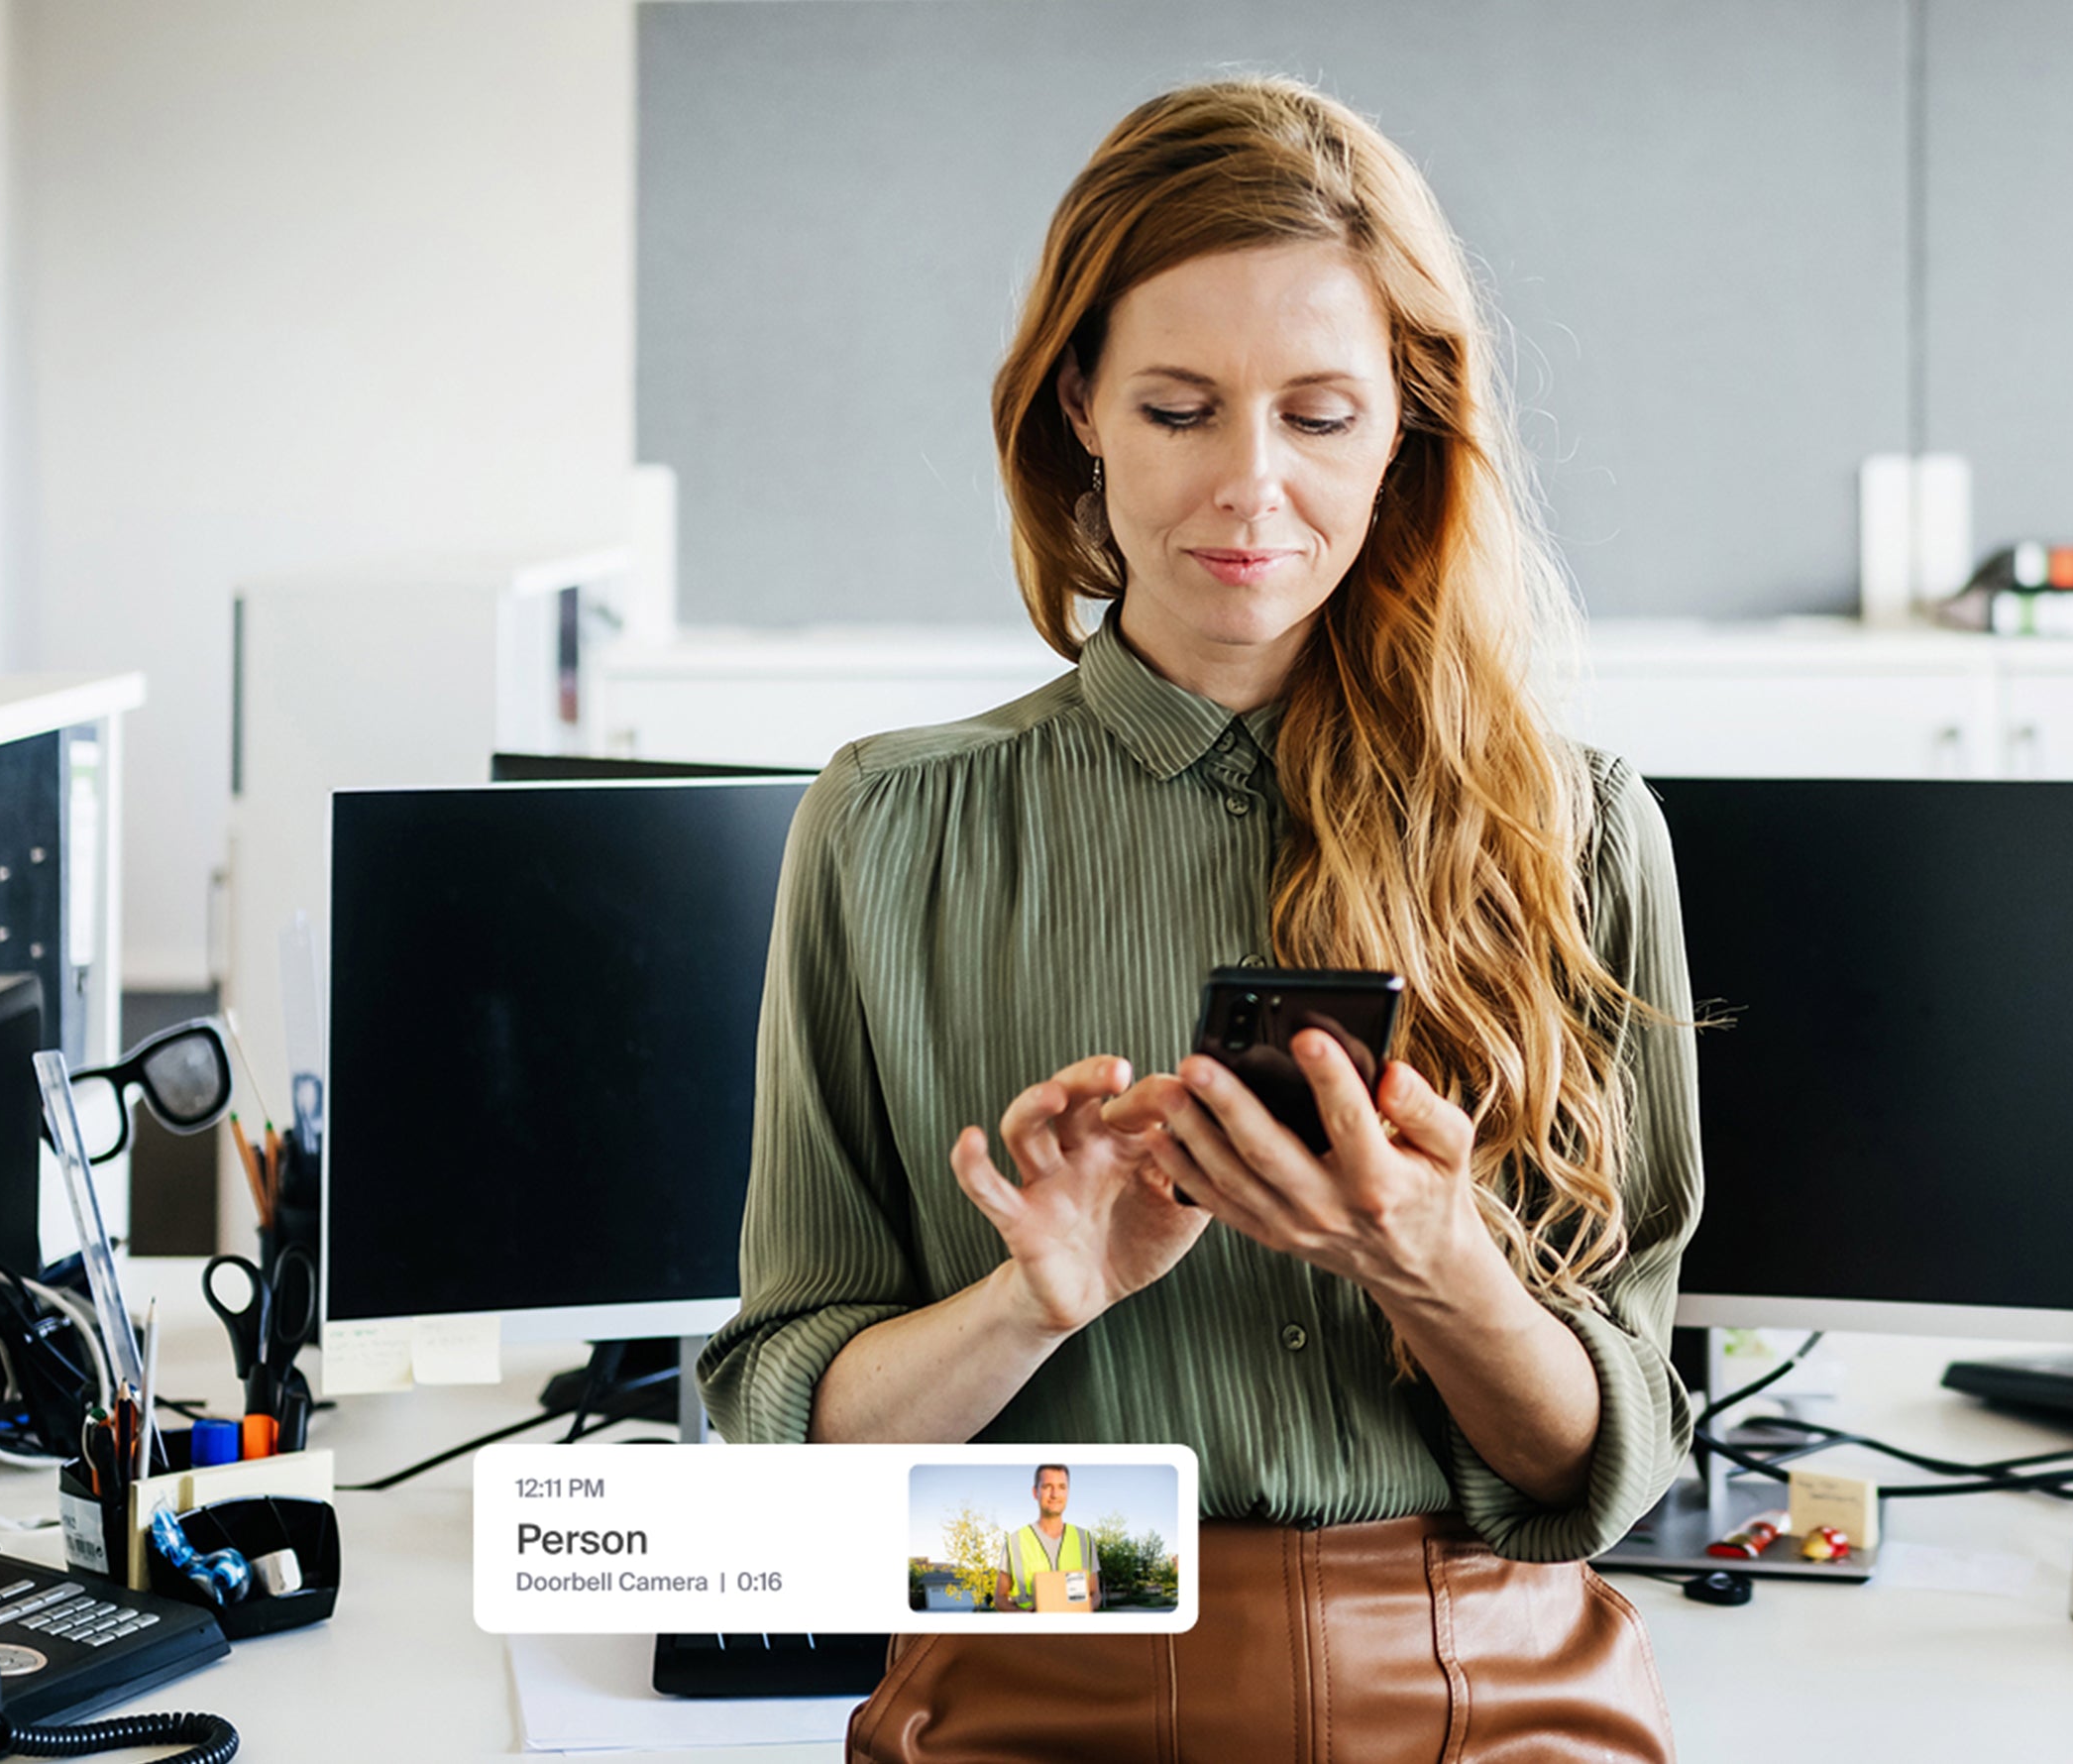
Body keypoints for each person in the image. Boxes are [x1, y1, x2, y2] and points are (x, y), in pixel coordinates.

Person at [699, 75, 1699, 1762]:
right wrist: (1032, 1299)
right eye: (1178, 409)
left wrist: (1434, 1265)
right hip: (1041, 1629)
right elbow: (801, 1455)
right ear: (1077, 406)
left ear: (1404, 430)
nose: (1249, 485)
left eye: (1319, 416)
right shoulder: (885, 826)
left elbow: (1597, 1467)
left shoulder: (1576, 829)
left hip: (1488, 1679)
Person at [993, 1464, 1102, 1613]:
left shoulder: (1085, 1539)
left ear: (1068, 1492)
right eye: (1047, 1487)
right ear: (1035, 1492)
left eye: (1062, 1487)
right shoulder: (1014, 1541)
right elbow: (999, 1598)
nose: (1055, 1494)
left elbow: (1095, 1594)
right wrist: (1022, 1615)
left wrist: (1084, 1608)